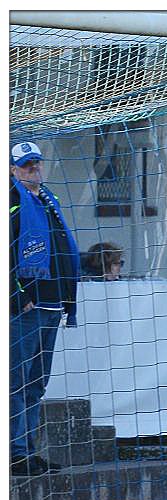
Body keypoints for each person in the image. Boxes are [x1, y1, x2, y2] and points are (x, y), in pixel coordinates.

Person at [10, 141, 78, 477]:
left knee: (36, 384)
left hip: (52, 306)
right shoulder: (12, 203)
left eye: (36, 162)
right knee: (16, 383)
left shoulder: (49, 201)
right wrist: (16, 295)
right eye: (26, 165)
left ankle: (29, 451)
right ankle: (15, 452)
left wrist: (68, 298)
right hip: (25, 310)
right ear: (13, 170)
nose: (34, 168)